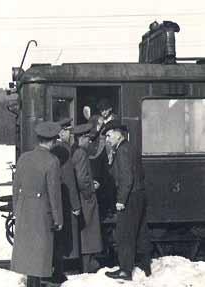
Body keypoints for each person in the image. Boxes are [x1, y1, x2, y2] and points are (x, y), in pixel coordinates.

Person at [11, 121, 63, 287]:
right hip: (42, 213)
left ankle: (31, 283)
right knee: (40, 255)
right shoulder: (52, 161)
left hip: (24, 210)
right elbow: (54, 194)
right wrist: (58, 219)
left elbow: (15, 188)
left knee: (28, 254)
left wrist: (16, 211)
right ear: (53, 140)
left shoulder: (24, 158)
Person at [102, 120, 151, 281]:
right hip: (139, 194)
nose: (107, 139)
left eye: (109, 135)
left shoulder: (122, 151)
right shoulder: (130, 147)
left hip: (129, 196)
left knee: (124, 233)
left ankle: (125, 270)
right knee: (140, 231)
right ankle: (145, 266)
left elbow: (126, 178)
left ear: (117, 133)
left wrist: (121, 200)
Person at [50, 118, 81, 283]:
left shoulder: (53, 148)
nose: (71, 133)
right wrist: (76, 205)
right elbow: (69, 180)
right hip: (63, 200)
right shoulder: (64, 151)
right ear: (62, 132)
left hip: (53, 199)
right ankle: (59, 271)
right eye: (69, 130)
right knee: (62, 238)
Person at [71, 123, 103, 273]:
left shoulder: (75, 151)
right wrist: (91, 189)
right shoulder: (82, 153)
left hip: (81, 196)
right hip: (86, 199)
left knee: (86, 234)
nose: (90, 141)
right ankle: (87, 267)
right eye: (87, 138)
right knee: (89, 233)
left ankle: (86, 266)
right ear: (81, 138)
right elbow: (82, 178)